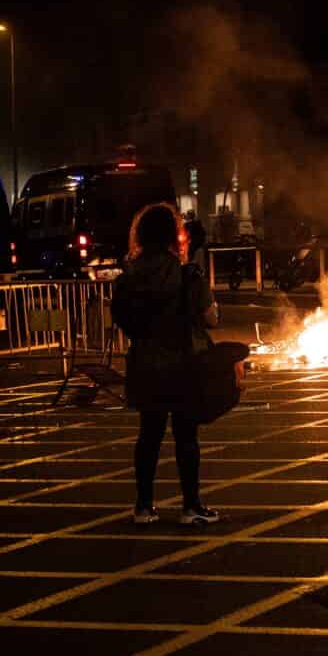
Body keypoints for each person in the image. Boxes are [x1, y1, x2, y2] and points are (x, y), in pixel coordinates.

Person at [112, 202, 220, 526]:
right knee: (186, 437)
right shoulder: (186, 273)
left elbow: (122, 319)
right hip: (183, 362)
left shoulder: (128, 277)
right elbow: (209, 317)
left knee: (149, 436)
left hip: (146, 362)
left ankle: (143, 507)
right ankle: (191, 506)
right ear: (175, 234)